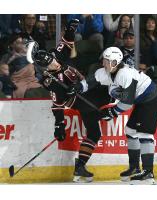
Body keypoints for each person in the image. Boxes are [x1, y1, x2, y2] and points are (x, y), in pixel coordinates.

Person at [28, 19, 111, 182]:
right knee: (97, 124)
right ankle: (80, 166)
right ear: (44, 68)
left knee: (96, 129)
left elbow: (65, 43)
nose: (54, 61)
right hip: (82, 102)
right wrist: (59, 125)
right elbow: (57, 105)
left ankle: (80, 167)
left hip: (87, 90)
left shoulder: (56, 56)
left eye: (52, 58)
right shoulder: (51, 82)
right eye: (50, 63)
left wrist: (70, 29)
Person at [68, 47, 157, 184]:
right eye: (104, 60)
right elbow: (89, 82)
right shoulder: (106, 72)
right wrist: (77, 88)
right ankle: (135, 168)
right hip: (141, 100)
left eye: (106, 61)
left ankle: (148, 172)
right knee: (130, 130)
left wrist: (111, 112)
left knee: (144, 134)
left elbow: (127, 103)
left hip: (150, 100)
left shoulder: (124, 74)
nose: (103, 63)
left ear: (114, 62)